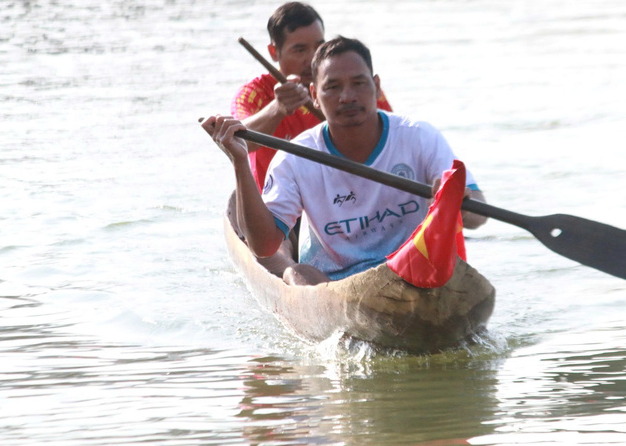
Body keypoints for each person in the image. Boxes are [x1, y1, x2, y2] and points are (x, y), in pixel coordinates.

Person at [204, 37, 487, 286]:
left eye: (359, 84)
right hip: (336, 283)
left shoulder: (419, 136)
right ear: (314, 96)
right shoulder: (293, 158)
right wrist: (240, 163)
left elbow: (479, 216)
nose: (348, 97)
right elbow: (264, 247)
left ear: (376, 87)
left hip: (413, 271)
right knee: (299, 275)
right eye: (333, 87)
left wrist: (453, 202)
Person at [231, 2, 392, 192]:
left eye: (319, 46)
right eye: (300, 50)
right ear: (274, 52)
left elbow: (391, 140)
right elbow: (237, 143)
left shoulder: (357, 89)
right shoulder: (254, 93)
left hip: (345, 195)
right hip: (278, 203)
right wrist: (278, 108)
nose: (313, 58)